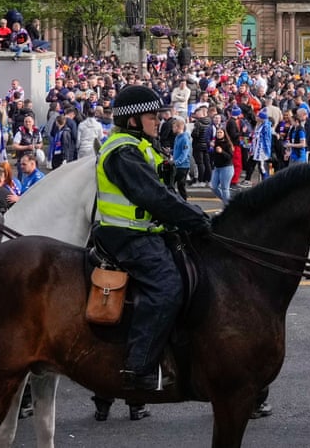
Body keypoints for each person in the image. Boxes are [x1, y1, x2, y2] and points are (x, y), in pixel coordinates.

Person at [93, 86, 212, 391]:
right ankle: (139, 366)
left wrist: (189, 212)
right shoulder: (122, 151)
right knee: (166, 286)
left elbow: (167, 192)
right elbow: (153, 197)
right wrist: (195, 219)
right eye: (151, 116)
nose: (157, 121)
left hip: (146, 233)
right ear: (133, 120)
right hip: (126, 236)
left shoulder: (142, 146)